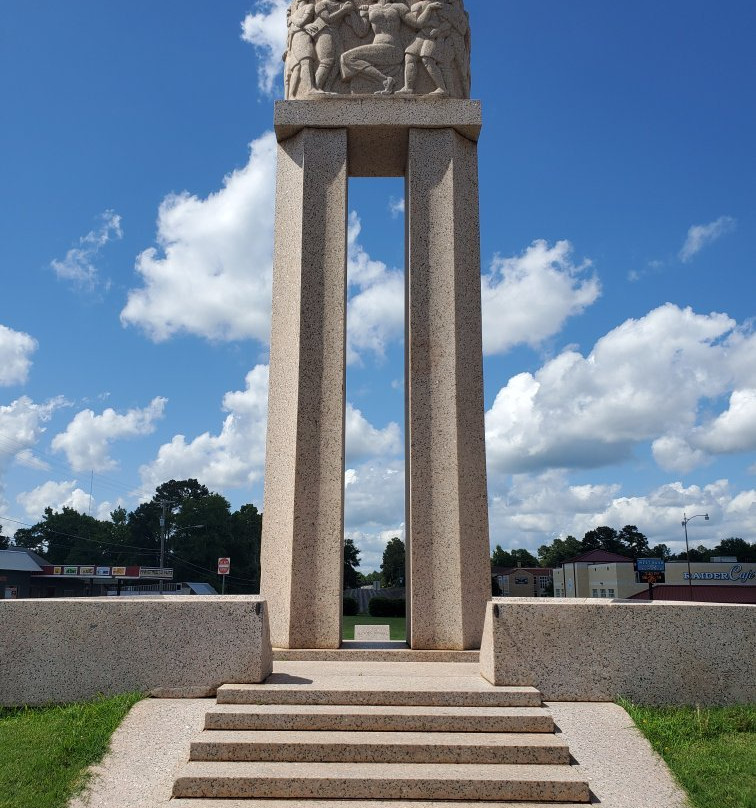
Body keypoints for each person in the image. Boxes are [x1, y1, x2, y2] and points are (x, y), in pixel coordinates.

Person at [340, 0, 442, 95]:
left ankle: (384, 80)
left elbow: (417, 23)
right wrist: (353, 14)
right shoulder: (370, 8)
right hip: (376, 49)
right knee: (347, 58)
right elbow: (361, 31)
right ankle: (384, 80)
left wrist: (429, 8)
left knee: (347, 57)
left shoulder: (399, 7)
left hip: (393, 49)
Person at [396, 0, 449, 96]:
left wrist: (439, 30)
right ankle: (408, 88)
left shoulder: (442, 6)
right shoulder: (417, 6)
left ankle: (442, 88)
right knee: (409, 56)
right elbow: (417, 23)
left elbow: (449, 24)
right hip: (422, 34)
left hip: (435, 36)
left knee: (427, 59)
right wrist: (429, 8)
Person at [307, 1, 357, 92]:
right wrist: (344, 10)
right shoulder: (321, 4)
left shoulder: (341, 5)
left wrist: (353, 12)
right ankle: (316, 87)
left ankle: (327, 88)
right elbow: (328, 19)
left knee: (339, 62)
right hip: (324, 32)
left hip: (335, 33)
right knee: (327, 61)